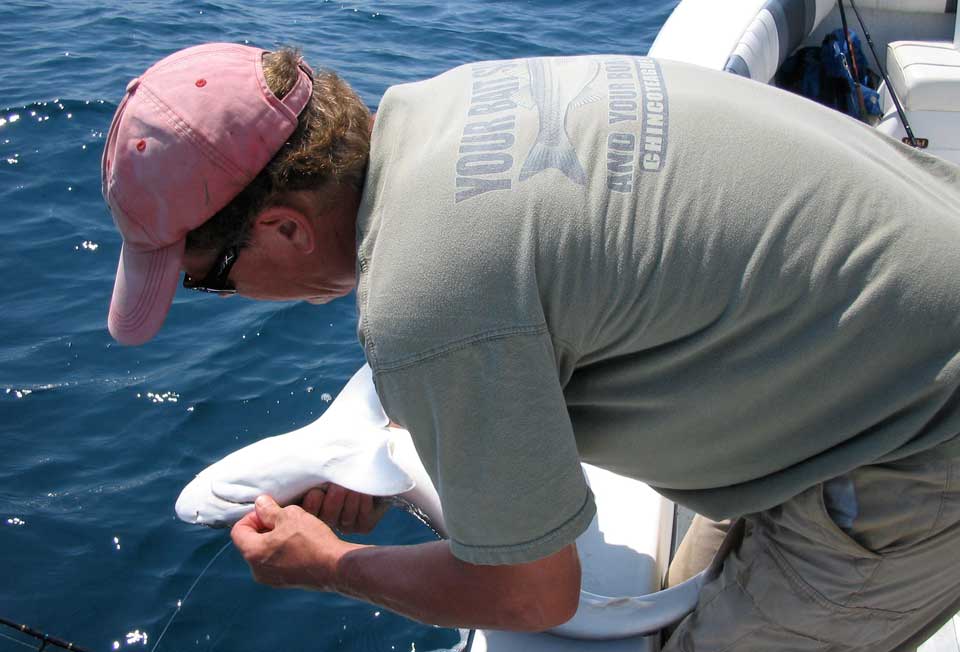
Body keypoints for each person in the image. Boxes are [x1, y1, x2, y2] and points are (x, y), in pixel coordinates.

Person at [101, 42, 960, 650]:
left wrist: (328, 565)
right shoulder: (455, 101)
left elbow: (533, 594)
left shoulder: (428, 300)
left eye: (210, 279)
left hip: (923, 431)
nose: (221, 299)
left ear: (284, 226)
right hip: (886, 310)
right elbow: (531, 280)